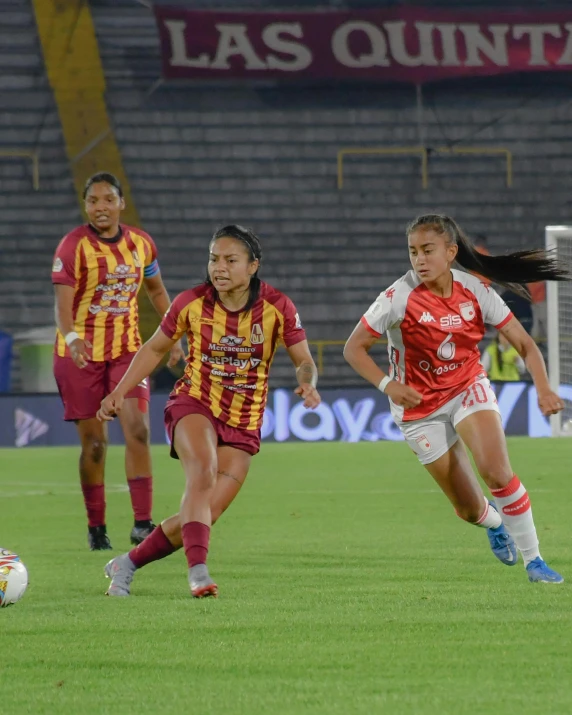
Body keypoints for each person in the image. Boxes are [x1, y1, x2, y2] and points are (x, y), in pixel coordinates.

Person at [344, 213, 570, 584]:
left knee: (496, 472)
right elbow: (354, 349)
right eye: (413, 251)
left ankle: (535, 562)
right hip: (418, 408)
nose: (419, 259)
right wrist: (389, 385)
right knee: (467, 508)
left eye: (428, 250)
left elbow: (525, 344)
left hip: (467, 387)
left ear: (450, 252)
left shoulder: (477, 291)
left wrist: (544, 387)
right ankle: (495, 524)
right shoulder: (396, 298)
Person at [97, 224, 320, 598]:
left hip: (245, 420)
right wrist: (120, 391)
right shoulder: (191, 303)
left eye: (231, 260)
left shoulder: (278, 307)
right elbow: (154, 349)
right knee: (202, 471)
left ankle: (127, 563)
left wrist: (308, 382)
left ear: (252, 266)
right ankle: (198, 572)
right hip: (195, 402)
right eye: (214, 258)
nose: (219, 267)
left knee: (201, 516)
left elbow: (304, 360)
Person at [51, 172, 184, 551]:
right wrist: (74, 338)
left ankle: (142, 523)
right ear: (86, 206)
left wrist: (173, 334)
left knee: (138, 430)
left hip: (127, 352)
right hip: (79, 357)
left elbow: (157, 291)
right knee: (95, 445)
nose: (101, 207)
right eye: (93, 201)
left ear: (121, 203)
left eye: (108, 199)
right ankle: (97, 527)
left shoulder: (141, 245)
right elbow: (62, 309)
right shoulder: (72, 248)